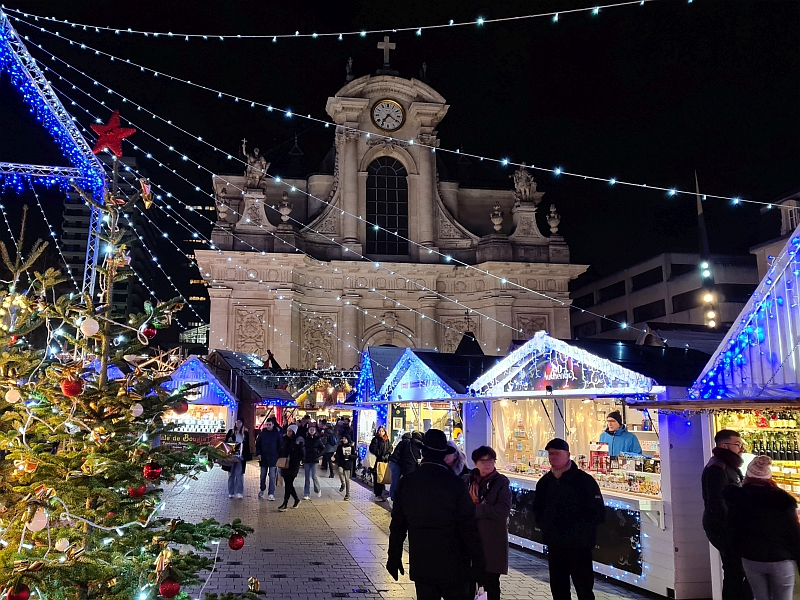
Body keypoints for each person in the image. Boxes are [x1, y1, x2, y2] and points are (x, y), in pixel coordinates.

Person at [387, 429, 484, 600]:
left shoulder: (408, 483)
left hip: (422, 563)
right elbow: (469, 527)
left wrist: (394, 556)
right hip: (455, 564)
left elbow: (398, 526)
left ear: (423, 453)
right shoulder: (456, 484)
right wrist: (478, 564)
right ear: (443, 456)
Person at [533, 438, 605, 600]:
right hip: (555, 544)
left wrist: (580, 531)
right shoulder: (545, 483)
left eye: (557, 454)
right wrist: (547, 528)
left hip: (579, 546)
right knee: (559, 588)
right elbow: (537, 510)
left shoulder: (584, 481)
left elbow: (598, 513)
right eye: (550, 454)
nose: (552, 458)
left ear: (568, 455)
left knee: (583, 588)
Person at [724, 455, 800, 600]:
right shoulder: (783, 501)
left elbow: (732, 531)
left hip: (752, 558)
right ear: (769, 477)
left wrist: (733, 558)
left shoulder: (737, 499)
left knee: (759, 597)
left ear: (747, 475)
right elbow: (794, 534)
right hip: (781, 559)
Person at [702, 429, 753, 600]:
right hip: (723, 527)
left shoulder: (727, 464)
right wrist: (730, 527)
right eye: (738, 444)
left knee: (737, 570)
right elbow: (717, 501)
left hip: (728, 525)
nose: (741, 448)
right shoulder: (717, 467)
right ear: (725, 445)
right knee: (735, 571)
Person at [466, 446, 512, 600]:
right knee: (469, 582)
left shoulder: (501, 482)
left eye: (490, 460)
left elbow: (503, 510)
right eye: (483, 460)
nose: (487, 464)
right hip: (470, 540)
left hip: (492, 541)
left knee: (491, 583)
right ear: (475, 463)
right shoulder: (468, 480)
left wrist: (477, 510)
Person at [278, 424, 304, 511]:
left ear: (294, 432)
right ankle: (296, 500)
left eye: (290, 431)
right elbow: (281, 450)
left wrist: (296, 459)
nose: (288, 432)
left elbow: (301, 453)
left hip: (293, 465)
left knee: (289, 484)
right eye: (287, 430)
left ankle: (285, 503)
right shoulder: (285, 439)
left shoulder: (298, 441)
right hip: (285, 464)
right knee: (288, 484)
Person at [255, 419, 282, 500]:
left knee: (272, 476)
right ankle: (262, 489)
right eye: (267, 424)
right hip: (263, 458)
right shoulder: (262, 434)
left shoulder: (277, 434)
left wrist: (279, 457)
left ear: (273, 425)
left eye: (269, 424)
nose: (268, 426)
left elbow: (280, 446)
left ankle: (271, 493)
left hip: (273, 458)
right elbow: (258, 445)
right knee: (262, 475)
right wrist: (258, 453)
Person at [224, 420, 252, 499]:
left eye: (239, 422)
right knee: (231, 474)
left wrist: (246, 456)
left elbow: (247, 446)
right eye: (237, 422)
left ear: (242, 423)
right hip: (231, 456)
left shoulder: (245, 433)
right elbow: (225, 443)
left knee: (239, 474)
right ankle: (231, 492)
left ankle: (239, 492)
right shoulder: (231, 432)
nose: (238, 424)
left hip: (240, 457)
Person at [369, 426, 392, 501]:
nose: (381, 432)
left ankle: (381, 493)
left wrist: (387, 454)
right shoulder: (375, 439)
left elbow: (390, 448)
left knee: (382, 477)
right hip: (377, 461)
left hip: (384, 461)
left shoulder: (387, 439)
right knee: (377, 478)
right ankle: (377, 494)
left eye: (382, 431)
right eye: (380, 431)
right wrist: (380, 455)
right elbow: (373, 449)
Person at [302, 424, 325, 500]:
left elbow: (323, 448)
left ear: (315, 431)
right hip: (307, 460)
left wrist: (318, 455)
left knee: (314, 476)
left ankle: (318, 489)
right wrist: (303, 456)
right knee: (307, 477)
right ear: (308, 430)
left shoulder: (317, 439)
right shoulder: (305, 439)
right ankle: (306, 493)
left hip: (314, 460)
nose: (311, 431)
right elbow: (302, 448)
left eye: (313, 430)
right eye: (310, 429)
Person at [388, 432, 411, 500]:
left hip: (394, 462)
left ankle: (392, 497)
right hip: (396, 463)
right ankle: (392, 498)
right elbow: (404, 456)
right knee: (395, 481)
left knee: (395, 481)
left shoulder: (402, 442)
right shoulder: (407, 442)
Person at [334, 435, 356, 501]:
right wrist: (337, 457)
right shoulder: (340, 446)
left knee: (347, 479)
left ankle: (347, 494)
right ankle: (342, 483)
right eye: (343, 438)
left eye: (345, 438)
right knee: (340, 472)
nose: (344, 440)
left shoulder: (351, 447)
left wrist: (349, 456)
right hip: (341, 463)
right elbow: (337, 454)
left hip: (348, 464)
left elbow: (355, 456)